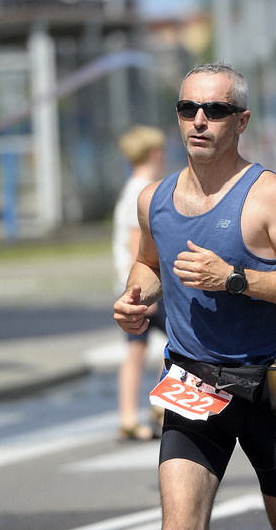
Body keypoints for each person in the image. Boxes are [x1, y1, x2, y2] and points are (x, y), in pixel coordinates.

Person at [113, 61, 276, 530]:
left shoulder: (269, 195)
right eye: (188, 107)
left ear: (241, 121)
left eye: (215, 109)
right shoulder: (153, 199)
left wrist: (235, 278)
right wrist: (134, 297)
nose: (199, 120)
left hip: (265, 389)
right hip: (192, 383)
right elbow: (149, 264)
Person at [112, 125, 169, 441]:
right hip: (141, 288)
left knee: (136, 349)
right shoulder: (142, 190)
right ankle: (160, 406)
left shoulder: (131, 187)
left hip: (128, 285)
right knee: (183, 340)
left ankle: (129, 416)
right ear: (155, 153)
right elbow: (139, 242)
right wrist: (147, 294)